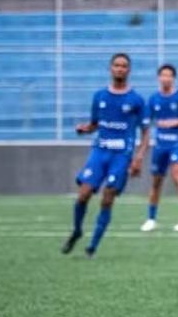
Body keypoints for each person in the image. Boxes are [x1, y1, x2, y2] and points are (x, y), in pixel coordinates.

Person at [62, 53, 149, 257]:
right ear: (110, 69)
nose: (120, 69)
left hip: (121, 155)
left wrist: (138, 157)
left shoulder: (136, 100)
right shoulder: (99, 96)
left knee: (107, 198)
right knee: (83, 194)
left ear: (129, 70)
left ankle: (92, 246)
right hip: (99, 152)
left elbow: (145, 133)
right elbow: (95, 124)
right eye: (116, 65)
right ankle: (77, 230)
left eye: (124, 66)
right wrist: (85, 129)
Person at [141, 64, 178, 232]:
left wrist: (171, 123)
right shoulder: (153, 99)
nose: (166, 78)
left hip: (176, 144)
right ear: (159, 78)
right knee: (156, 182)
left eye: (169, 75)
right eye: (163, 75)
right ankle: (151, 219)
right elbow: (147, 121)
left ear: (173, 78)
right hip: (160, 146)